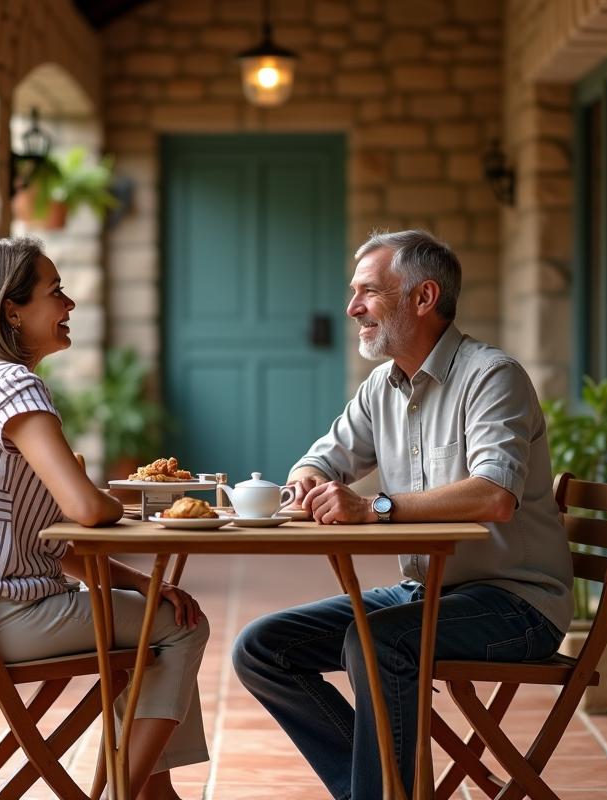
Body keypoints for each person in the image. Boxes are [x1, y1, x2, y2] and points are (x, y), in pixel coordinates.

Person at [232, 230, 573, 800]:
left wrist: (374, 508)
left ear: (423, 297)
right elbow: (321, 459)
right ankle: (380, 790)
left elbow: (495, 494)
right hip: (426, 592)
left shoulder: (493, 377)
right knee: (262, 648)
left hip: (517, 604)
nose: (352, 308)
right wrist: (308, 480)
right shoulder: (380, 388)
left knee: (382, 641)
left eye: (368, 291)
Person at [0, 237, 209, 800]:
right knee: (181, 628)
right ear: (12, 310)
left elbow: (51, 541)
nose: (69, 304)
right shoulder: (13, 384)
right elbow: (86, 510)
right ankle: (131, 794)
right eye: (56, 292)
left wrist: (144, 585)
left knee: (156, 614)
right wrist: (125, 499)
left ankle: (155, 794)